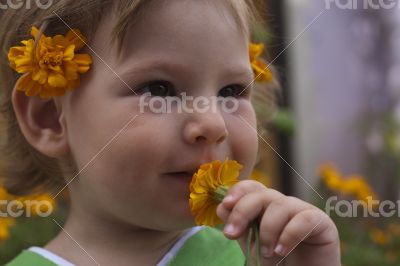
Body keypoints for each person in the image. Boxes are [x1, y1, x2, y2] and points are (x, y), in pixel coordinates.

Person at [0, 0, 341, 265]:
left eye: (231, 91)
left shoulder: (260, 255)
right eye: (159, 89)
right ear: (49, 118)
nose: (213, 124)